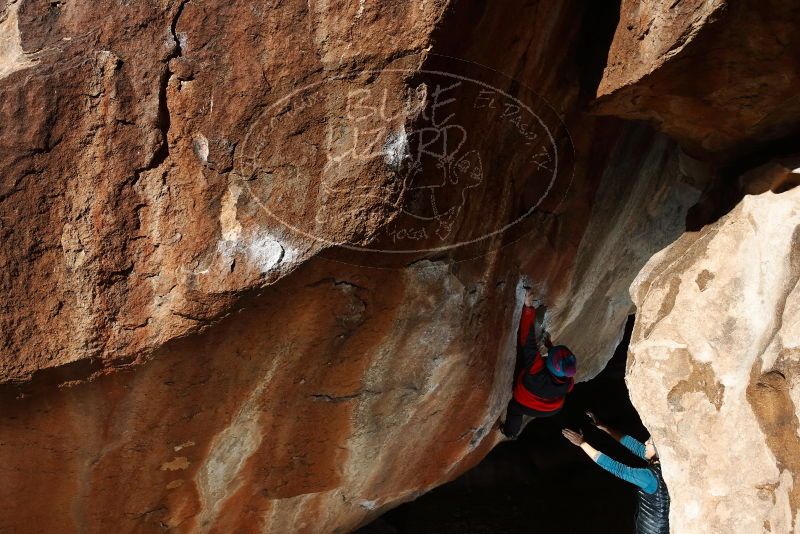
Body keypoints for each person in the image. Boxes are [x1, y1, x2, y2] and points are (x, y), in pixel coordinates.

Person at [562, 412, 670, 534]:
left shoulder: (649, 477)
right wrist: (603, 427)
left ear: (657, 451)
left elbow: (616, 468)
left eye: (649, 443)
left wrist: (582, 444)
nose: (646, 443)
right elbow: (633, 445)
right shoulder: (662, 465)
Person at [501, 288, 577, 438]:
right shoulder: (568, 380)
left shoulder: (536, 369)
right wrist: (549, 346)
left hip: (526, 404)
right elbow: (559, 366)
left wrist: (528, 308)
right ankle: (511, 433)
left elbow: (527, 341)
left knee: (514, 409)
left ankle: (509, 432)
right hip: (552, 409)